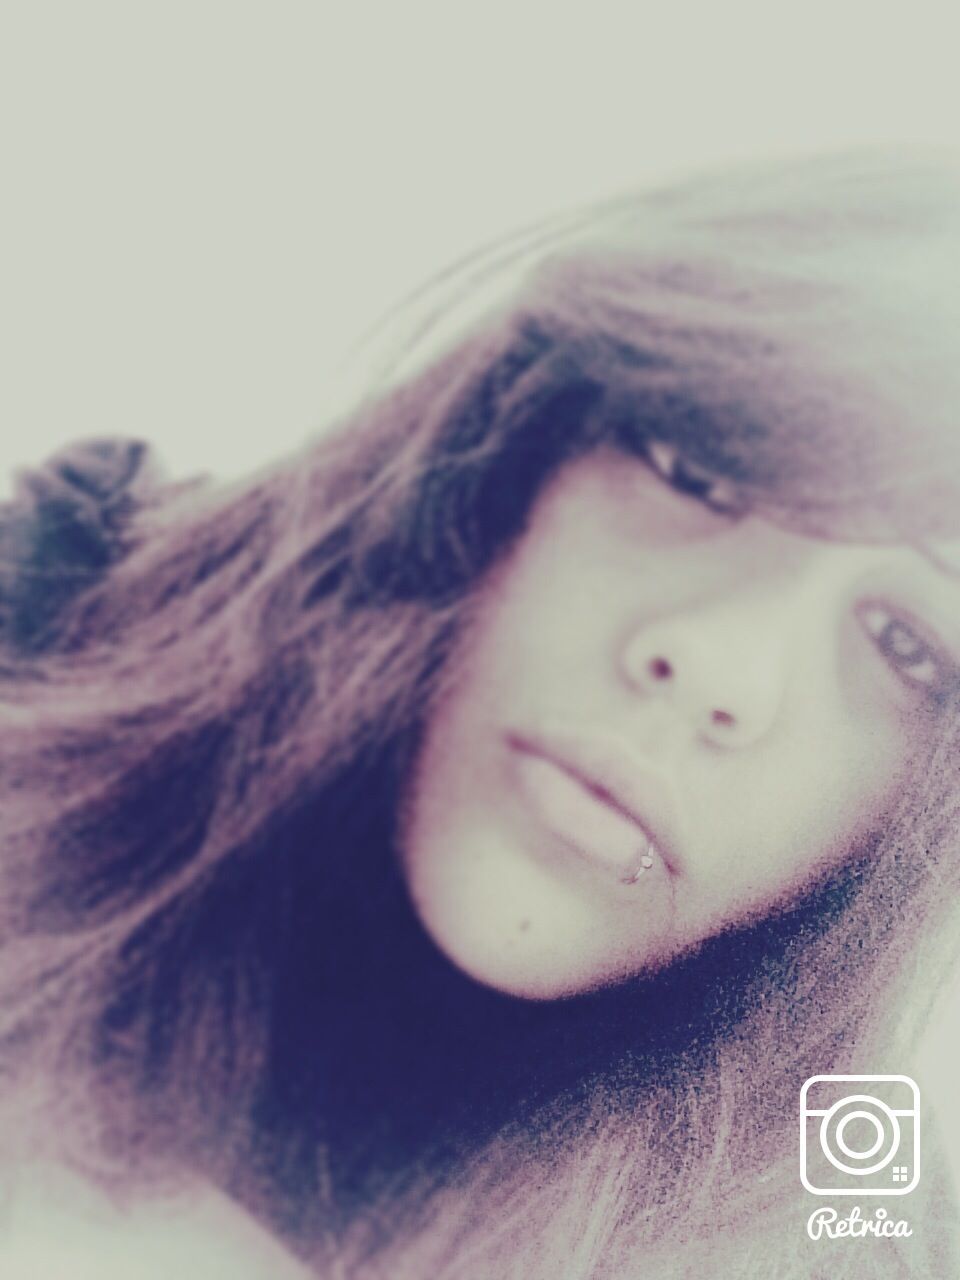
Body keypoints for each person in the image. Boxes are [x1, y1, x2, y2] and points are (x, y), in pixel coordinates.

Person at [1, 149, 960, 1279]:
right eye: (698, 472)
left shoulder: (858, 1216)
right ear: (527, 436)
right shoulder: (65, 614)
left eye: (908, 645)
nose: (720, 665)